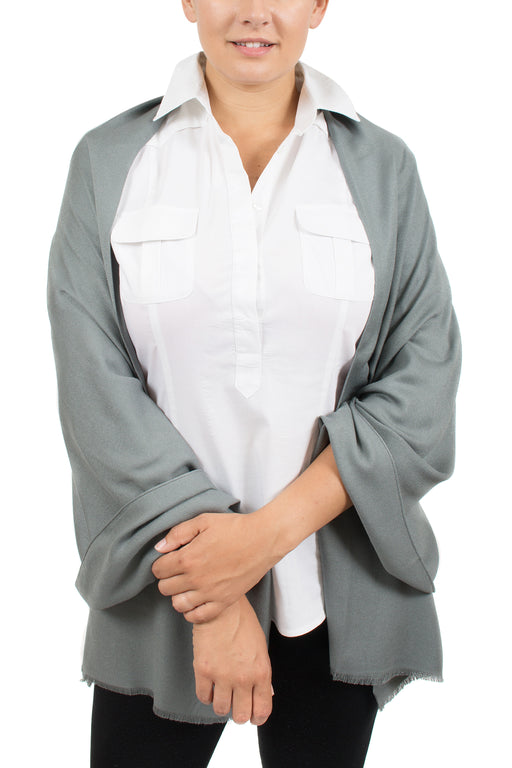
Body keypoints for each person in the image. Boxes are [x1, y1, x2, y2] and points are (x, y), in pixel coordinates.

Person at [47, 1, 462, 766]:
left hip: (334, 592)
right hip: (162, 585)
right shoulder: (109, 160)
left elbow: (422, 391)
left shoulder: (383, 168)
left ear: (319, 5)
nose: (255, 14)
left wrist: (258, 543)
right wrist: (217, 595)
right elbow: (93, 391)